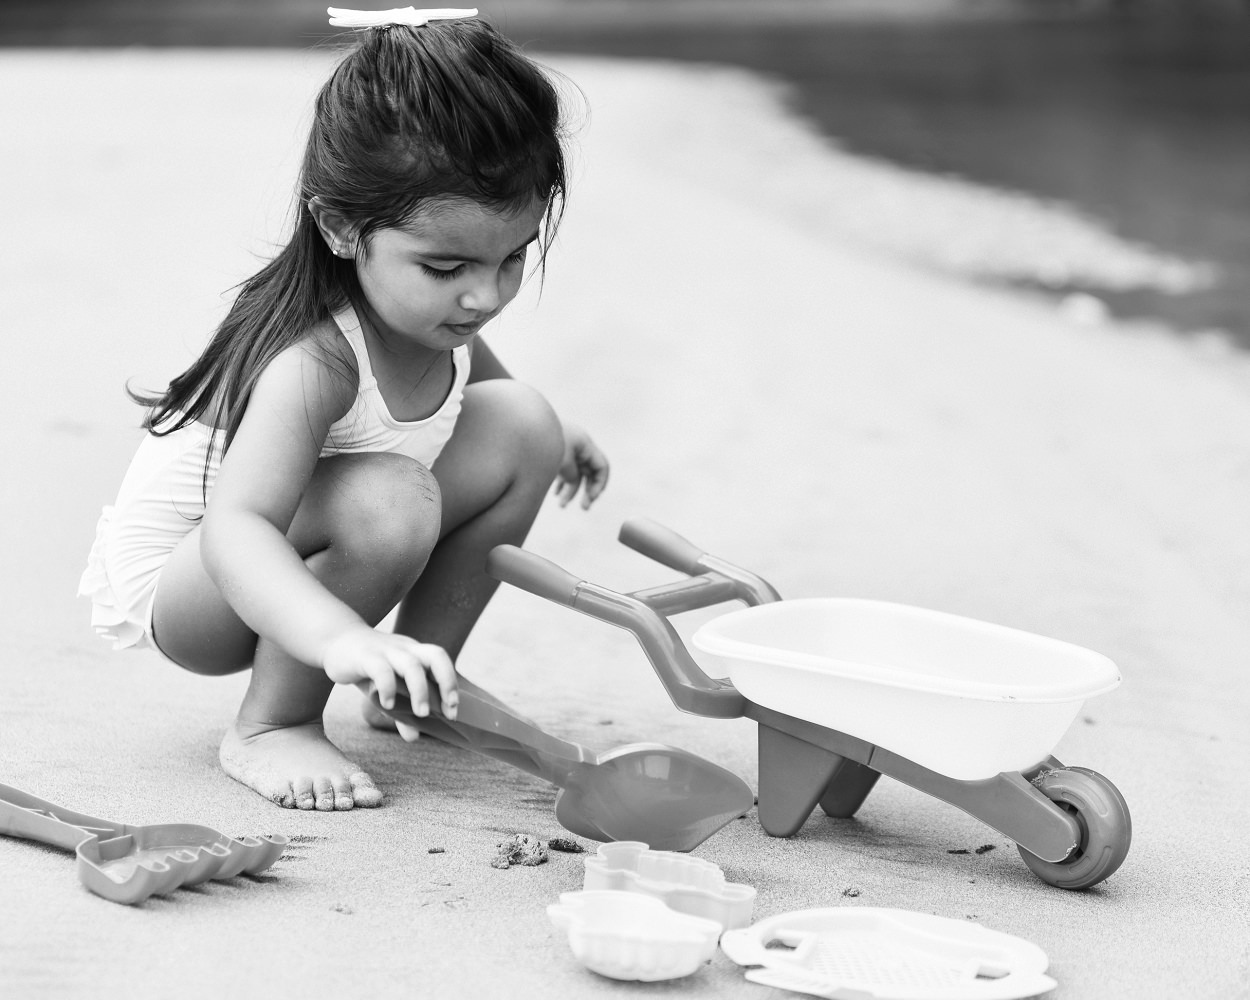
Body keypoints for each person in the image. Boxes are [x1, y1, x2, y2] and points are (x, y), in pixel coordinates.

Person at [77, 8, 608, 812]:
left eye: (513, 258)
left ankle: (416, 678)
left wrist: (551, 439)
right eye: (446, 266)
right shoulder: (314, 359)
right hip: (196, 587)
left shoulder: (435, 316)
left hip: (296, 543)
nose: (485, 294)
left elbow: (481, 393)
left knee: (526, 422)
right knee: (393, 498)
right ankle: (270, 725)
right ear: (339, 227)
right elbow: (237, 528)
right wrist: (339, 639)